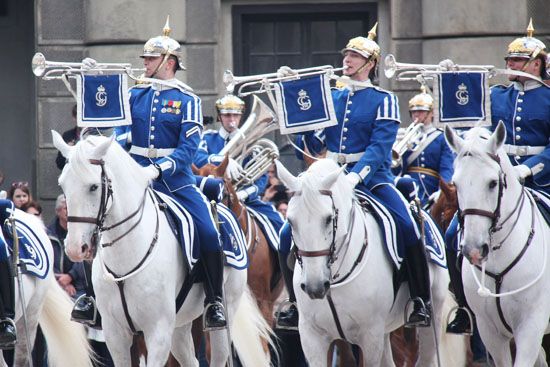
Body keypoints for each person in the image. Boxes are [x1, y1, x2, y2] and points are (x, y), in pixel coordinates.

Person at [73, 18, 227, 330]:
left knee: (208, 233)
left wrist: (160, 168)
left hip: (176, 181)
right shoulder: (134, 95)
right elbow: (122, 136)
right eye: (144, 58)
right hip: (135, 179)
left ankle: (214, 301)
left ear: (169, 62)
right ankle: (91, 297)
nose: (144, 63)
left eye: (151, 58)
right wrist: (91, 79)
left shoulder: (188, 99)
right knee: (98, 224)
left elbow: (188, 147)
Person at [278, 23, 433, 328]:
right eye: (346, 55)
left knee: (405, 226)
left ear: (370, 64)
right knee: (287, 233)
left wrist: (356, 177)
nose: (346, 60)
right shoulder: (332, 98)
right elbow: (314, 146)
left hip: (372, 178)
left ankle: (419, 300)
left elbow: (379, 148)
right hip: (330, 175)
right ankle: (295, 304)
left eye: (354, 56)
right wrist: (299, 116)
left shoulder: (383, 99)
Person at [445, 20, 550, 335]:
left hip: (539, 180)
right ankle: (464, 306)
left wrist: (528, 168)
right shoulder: (495, 95)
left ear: (537, 64)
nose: (511, 65)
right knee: (452, 233)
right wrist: (450, 81)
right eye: (509, 60)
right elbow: (473, 130)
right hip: (497, 183)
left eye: (518, 61)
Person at [194, 94, 284, 254]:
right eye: (227, 115)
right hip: (210, 197)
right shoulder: (206, 138)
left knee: (279, 224)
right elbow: (198, 158)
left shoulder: (252, 143)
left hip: (247, 200)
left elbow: (261, 180)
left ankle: (284, 270)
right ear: (219, 117)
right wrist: (221, 159)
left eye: (235, 115)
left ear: (241, 116)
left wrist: (242, 194)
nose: (231, 119)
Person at [394, 86, 454, 206]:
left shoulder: (441, 137)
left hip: (430, 188)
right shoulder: (405, 136)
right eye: (414, 112)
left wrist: (442, 192)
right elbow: (395, 168)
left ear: (431, 113)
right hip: (408, 186)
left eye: (421, 111)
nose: (416, 115)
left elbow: (447, 168)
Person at [56, 104, 81, 170]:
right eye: (79, 118)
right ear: (74, 118)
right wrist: (66, 150)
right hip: (72, 175)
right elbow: (59, 164)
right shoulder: (67, 135)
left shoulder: (94, 135)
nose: (82, 121)